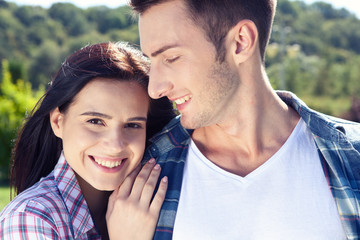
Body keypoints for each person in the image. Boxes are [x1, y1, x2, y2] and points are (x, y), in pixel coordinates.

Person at [129, 0, 360, 239]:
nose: (154, 89)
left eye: (171, 57)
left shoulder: (353, 156)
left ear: (241, 42)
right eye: (151, 61)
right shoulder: (143, 172)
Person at [0, 42, 175, 239]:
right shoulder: (30, 220)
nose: (115, 145)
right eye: (95, 121)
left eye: (133, 125)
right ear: (58, 122)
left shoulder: (154, 206)